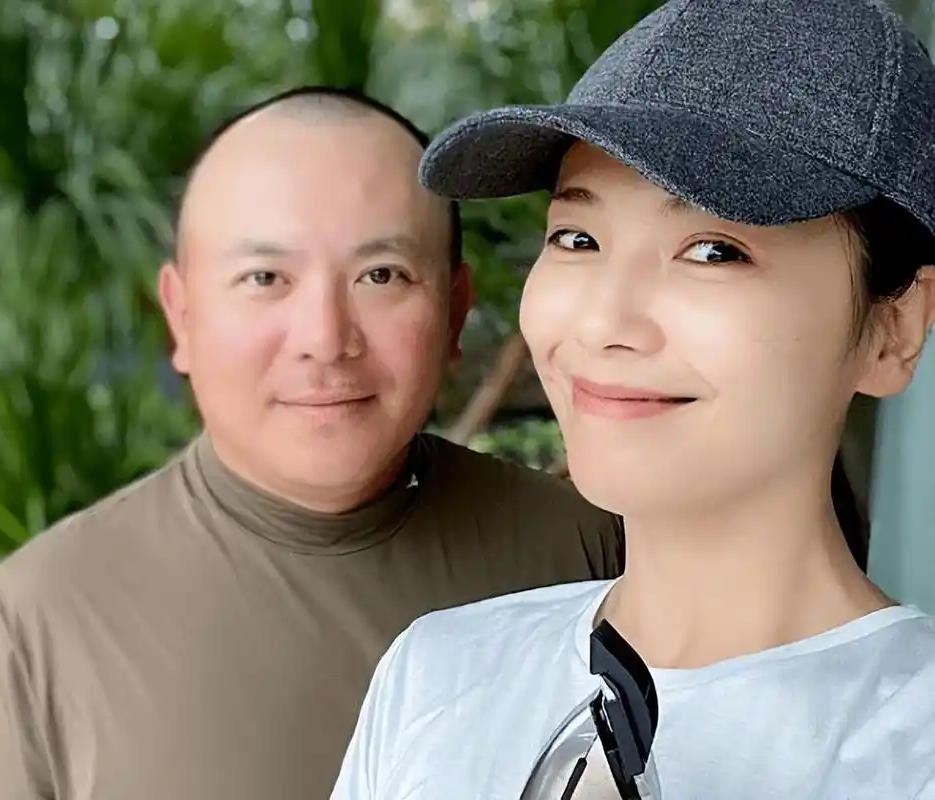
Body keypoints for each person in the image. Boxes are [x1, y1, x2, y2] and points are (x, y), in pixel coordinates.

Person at [0, 86, 623, 800]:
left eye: (380, 275)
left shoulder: (589, 553)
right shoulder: (38, 621)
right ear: (181, 316)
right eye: (264, 278)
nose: (325, 338)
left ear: (454, 311)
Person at [331, 1, 935, 797]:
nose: (602, 323)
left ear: (893, 330)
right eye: (576, 239)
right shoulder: (435, 675)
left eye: (713, 251)